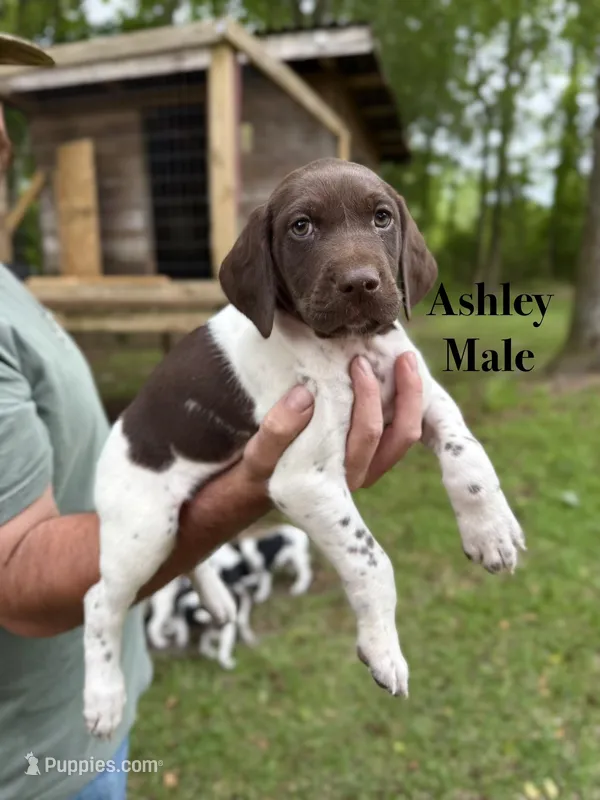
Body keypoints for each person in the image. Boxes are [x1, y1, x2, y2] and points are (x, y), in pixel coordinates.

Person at [0, 32, 424, 800]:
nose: (1, 133)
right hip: (34, 771)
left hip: (77, 725)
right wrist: (252, 488)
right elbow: (15, 578)